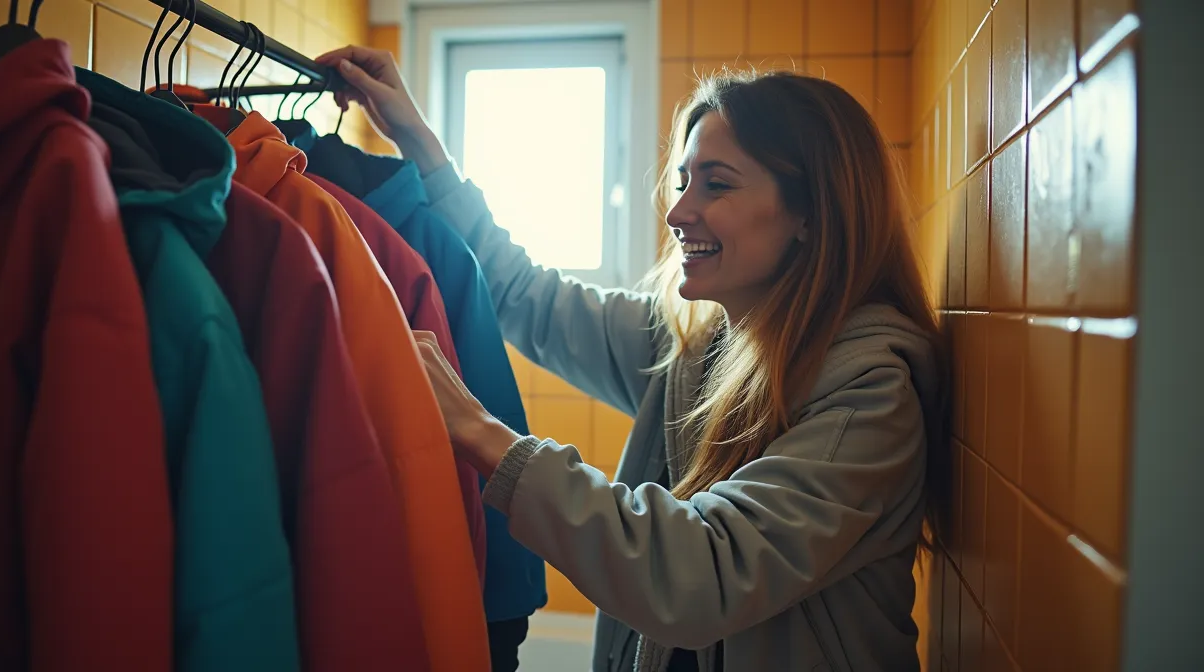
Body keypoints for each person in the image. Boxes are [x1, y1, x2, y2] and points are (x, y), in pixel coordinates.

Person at [318, 45, 950, 672]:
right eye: (682, 182)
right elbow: (524, 292)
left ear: (811, 212)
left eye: (716, 185)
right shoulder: (693, 346)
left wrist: (479, 431)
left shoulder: (872, 393)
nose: (677, 213)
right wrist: (421, 145)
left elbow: (705, 572)